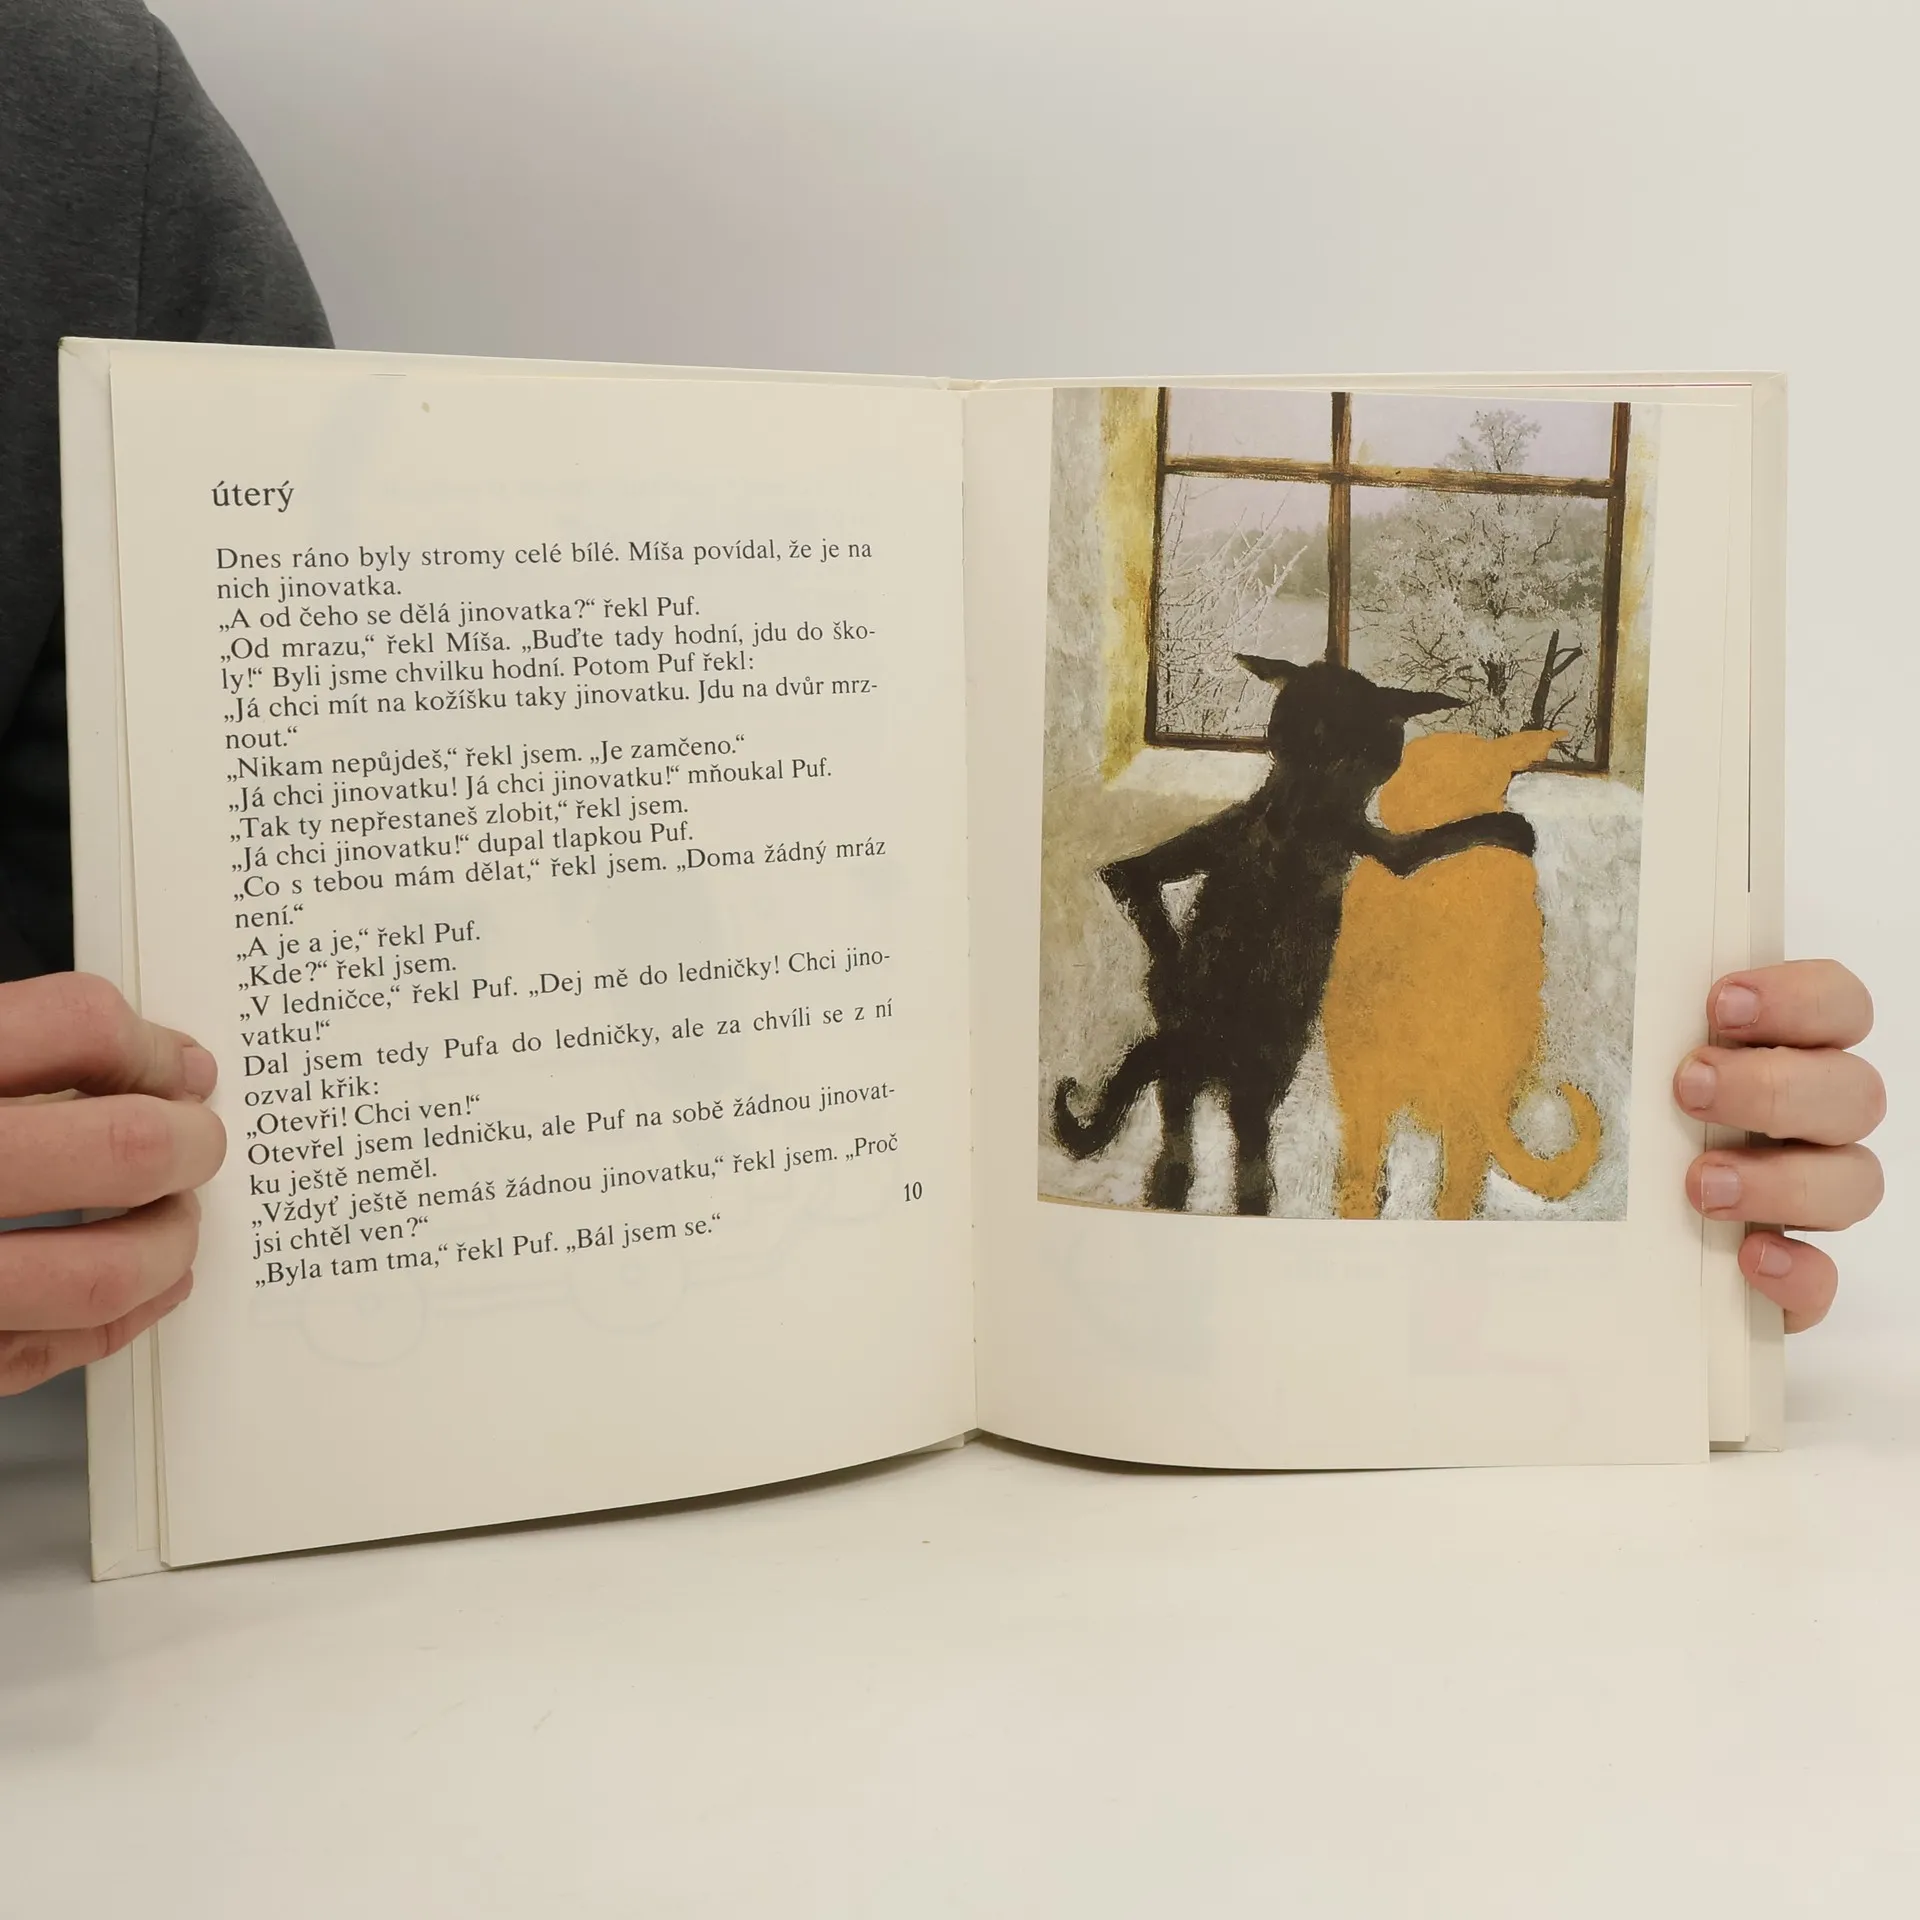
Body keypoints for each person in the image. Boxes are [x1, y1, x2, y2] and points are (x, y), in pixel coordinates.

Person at [0, 2, 1887, 1391]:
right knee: (1200, 1121)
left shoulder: (91, 118)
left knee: (1224, 1126)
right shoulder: (1290, 820)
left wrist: (1662, 1125)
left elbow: (218, 952)